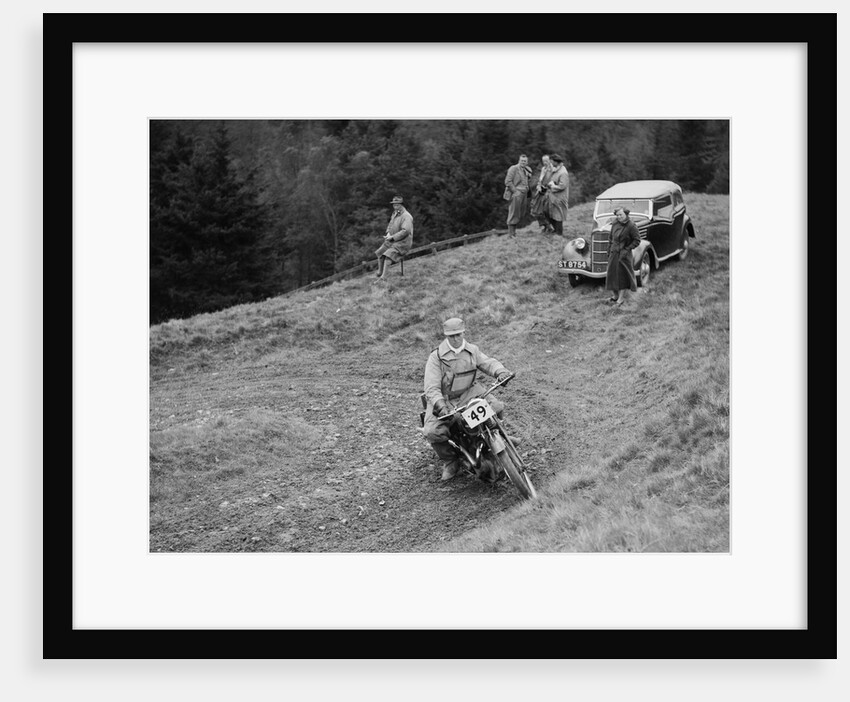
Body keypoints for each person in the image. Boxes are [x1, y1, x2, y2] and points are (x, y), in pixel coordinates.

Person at [422, 317, 514, 481]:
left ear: (463, 332)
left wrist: (501, 371)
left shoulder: (472, 350)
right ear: (446, 336)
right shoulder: (436, 357)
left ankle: (501, 436)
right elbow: (431, 388)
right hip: (446, 399)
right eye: (451, 336)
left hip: (470, 392)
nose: (456, 339)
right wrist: (441, 406)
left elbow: (488, 363)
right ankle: (451, 461)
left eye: (458, 334)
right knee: (433, 431)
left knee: (497, 407)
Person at [605, 206, 642, 306]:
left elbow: (637, 240)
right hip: (613, 253)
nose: (619, 217)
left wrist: (627, 249)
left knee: (622, 277)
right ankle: (615, 296)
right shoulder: (615, 223)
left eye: (621, 214)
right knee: (611, 275)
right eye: (617, 215)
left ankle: (620, 299)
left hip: (624, 255)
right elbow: (611, 238)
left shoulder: (631, 225)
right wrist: (609, 249)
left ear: (626, 214)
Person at [374, 195, 413, 280]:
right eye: (394, 204)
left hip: (403, 242)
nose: (395, 206)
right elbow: (390, 224)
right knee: (380, 252)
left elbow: (405, 231)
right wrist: (388, 233)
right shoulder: (395, 213)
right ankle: (380, 272)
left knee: (388, 255)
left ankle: (383, 278)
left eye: (397, 204)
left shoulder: (406, 216)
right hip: (392, 240)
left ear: (402, 204)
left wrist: (392, 237)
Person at [503, 154, 530, 237]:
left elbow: (526, 179)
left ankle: (514, 233)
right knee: (513, 212)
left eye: (525, 161)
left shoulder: (526, 170)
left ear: (527, 162)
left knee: (519, 213)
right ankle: (511, 234)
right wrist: (515, 191)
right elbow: (507, 181)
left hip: (524, 194)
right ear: (519, 161)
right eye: (522, 161)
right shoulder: (513, 168)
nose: (523, 162)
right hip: (516, 194)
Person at [544, 153, 569, 236]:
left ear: (556, 162)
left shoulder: (563, 172)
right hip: (553, 196)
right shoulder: (555, 170)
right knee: (548, 212)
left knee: (558, 215)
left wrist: (553, 186)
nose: (551, 163)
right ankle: (555, 230)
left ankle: (559, 233)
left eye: (552, 161)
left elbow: (563, 185)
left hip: (560, 197)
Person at [530, 154, 555, 233]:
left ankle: (549, 227)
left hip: (549, 192)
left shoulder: (553, 169)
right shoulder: (543, 169)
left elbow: (554, 181)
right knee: (535, 210)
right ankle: (545, 226)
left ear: (550, 160)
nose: (545, 162)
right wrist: (539, 186)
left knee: (545, 210)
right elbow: (540, 180)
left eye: (546, 161)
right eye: (543, 161)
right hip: (541, 192)